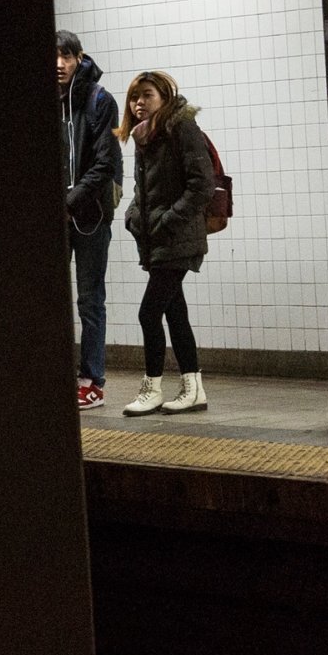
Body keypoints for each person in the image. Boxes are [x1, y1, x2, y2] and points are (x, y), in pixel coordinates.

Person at [118, 71, 215, 416]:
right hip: (157, 239)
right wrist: (133, 216)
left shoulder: (182, 128)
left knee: (148, 313)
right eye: (134, 97)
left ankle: (152, 388)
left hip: (177, 238)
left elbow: (203, 183)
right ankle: (194, 389)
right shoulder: (146, 136)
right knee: (175, 314)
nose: (139, 103)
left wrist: (167, 220)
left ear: (165, 96)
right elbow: (142, 192)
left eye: (147, 95)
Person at [60, 30, 122, 410]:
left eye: (65, 56)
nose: (59, 64)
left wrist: (70, 200)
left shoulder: (100, 100)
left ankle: (92, 379)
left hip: (91, 216)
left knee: (90, 298)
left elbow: (106, 163)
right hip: (60, 214)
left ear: (79, 57)